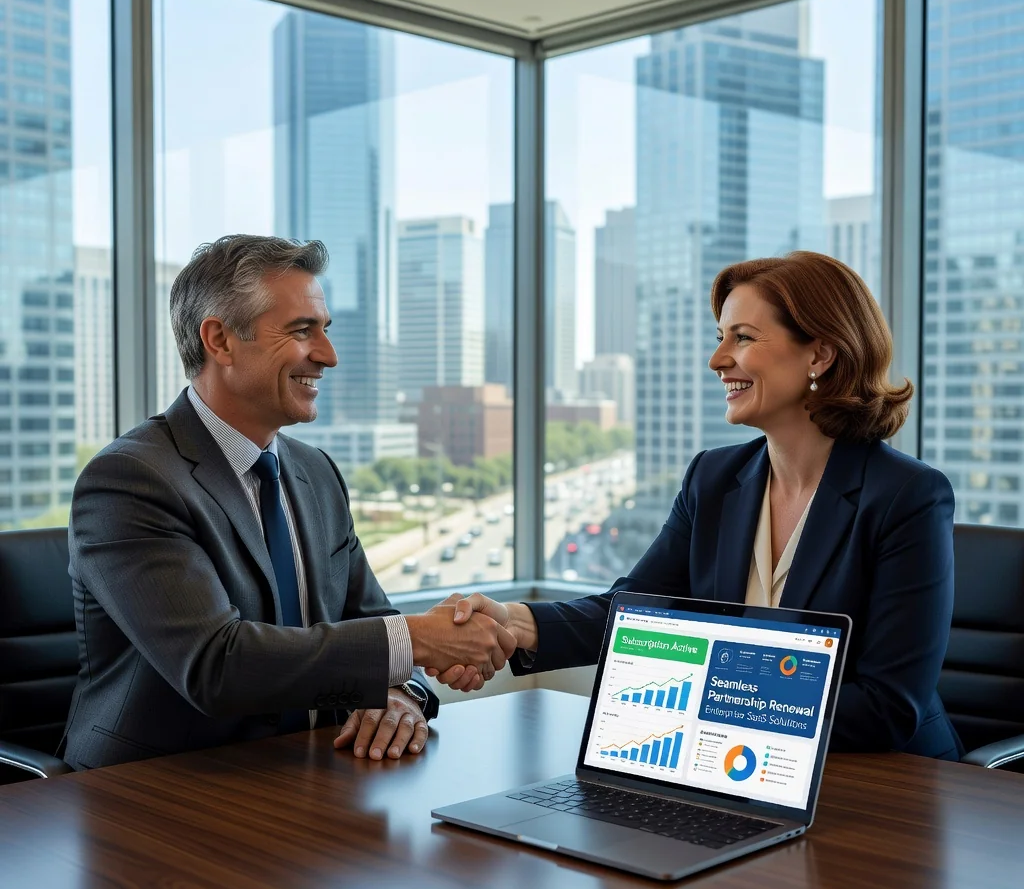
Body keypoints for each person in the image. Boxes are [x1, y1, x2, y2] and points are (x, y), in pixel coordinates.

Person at [436, 252, 962, 759]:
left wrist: (685, 688)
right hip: (739, 766)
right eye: (720, 338)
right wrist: (510, 620)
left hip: (885, 787)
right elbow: (632, 611)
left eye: (744, 338)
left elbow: (886, 708)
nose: (717, 361)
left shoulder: (906, 497)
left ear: (819, 355)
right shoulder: (713, 478)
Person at [61, 235, 513, 770]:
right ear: (220, 341)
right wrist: (417, 640)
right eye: (303, 331)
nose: (328, 355)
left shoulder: (316, 473)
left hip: (300, 777)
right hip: (152, 794)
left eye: (324, 330)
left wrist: (400, 694)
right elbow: (216, 666)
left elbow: (372, 622)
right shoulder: (130, 480)